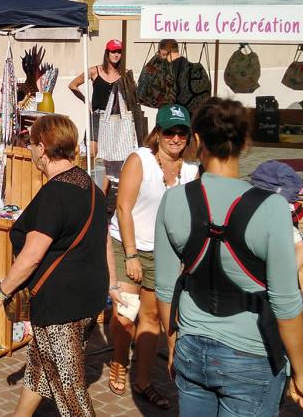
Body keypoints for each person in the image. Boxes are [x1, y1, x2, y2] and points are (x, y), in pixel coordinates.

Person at [155, 97, 303, 416]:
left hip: (191, 345)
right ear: (245, 143)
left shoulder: (173, 201)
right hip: (252, 353)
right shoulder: (271, 207)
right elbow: (286, 303)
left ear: (197, 140)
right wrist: (300, 373)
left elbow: (164, 287)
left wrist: (173, 346)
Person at [0, 114, 109, 416]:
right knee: (41, 366)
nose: (29, 149)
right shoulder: (90, 186)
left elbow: (32, 256)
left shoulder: (55, 194)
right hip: (88, 296)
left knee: (70, 392)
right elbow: (104, 241)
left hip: (61, 305)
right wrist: (113, 285)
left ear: (42, 148)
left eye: (30, 144)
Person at [107, 103, 199, 409]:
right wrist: (131, 255)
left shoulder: (191, 170)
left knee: (152, 318)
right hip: (128, 244)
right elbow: (123, 208)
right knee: (125, 315)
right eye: (169, 132)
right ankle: (120, 359)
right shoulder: (140, 160)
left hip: (165, 252)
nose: (176, 139)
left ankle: (144, 380)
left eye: (182, 133)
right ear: (157, 133)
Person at [69, 38, 146, 172]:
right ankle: (88, 179)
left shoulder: (125, 74)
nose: (116, 55)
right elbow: (73, 85)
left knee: (115, 155)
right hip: (97, 116)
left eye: (119, 52)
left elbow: (132, 96)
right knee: (91, 152)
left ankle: (111, 180)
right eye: (113, 51)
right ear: (107, 53)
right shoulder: (95, 71)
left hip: (116, 118)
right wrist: (85, 101)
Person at [250, 160, 303, 271]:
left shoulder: (279, 213)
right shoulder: (271, 209)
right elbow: (301, 248)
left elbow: (301, 248)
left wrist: (287, 275)